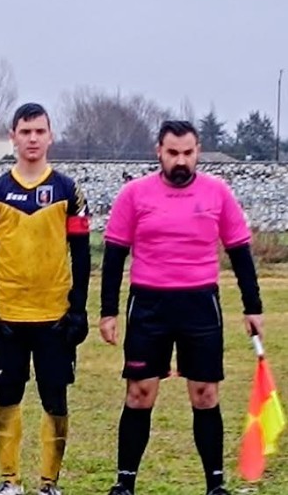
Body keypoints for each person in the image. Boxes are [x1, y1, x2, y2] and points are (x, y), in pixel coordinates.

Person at [99, 120, 265, 495]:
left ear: (198, 152)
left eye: (188, 153)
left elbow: (240, 252)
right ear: (158, 151)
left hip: (200, 304)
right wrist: (108, 311)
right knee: (139, 393)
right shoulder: (134, 194)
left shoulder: (218, 193)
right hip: (149, 305)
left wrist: (252, 307)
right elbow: (114, 255)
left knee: (205, 393)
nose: (180, 161)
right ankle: (124, 484)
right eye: (173, 153)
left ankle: (215, 485)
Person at [0, 102, 91, 495]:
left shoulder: (69, 191)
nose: (33, 139)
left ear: (50, 136)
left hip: (54, 317)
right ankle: (9, 481)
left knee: (54, 397)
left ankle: (49, 484)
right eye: (25, 132)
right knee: (7, 396)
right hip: (8, 316)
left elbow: (82, 255)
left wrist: (79, 309)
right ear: (13, 137)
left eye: (40, 131)